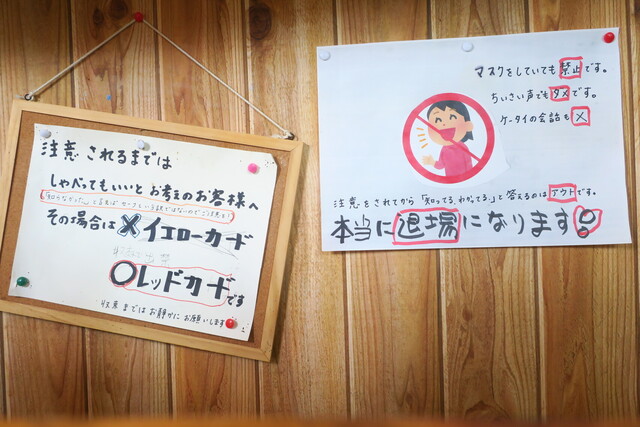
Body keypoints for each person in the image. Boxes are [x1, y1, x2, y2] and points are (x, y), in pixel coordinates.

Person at [422, 100, 475, 177]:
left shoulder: (463, 147)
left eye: (452, 117)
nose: (444, 124)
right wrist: (432, 162)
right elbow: (441, 165)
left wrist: (470, 177)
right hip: (451, 179)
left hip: (465, 178)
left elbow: (468, 163)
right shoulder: (444, 149)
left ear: (467, 125)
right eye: (438, 120)